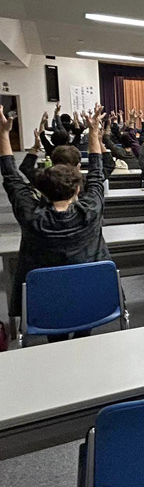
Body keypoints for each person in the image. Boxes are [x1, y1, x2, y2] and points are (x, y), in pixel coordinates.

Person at [1, 104, 112, 342]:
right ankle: (83, 333)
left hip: (46, 304)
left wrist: (3, 134)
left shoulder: (31, 217)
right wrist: (94, 133)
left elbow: (11, 175)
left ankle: (57, 340)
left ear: (41, 190)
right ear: (77, 189)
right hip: (92, 299)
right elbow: (96, 171)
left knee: (55, 322)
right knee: (84, 319)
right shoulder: (91, 210)